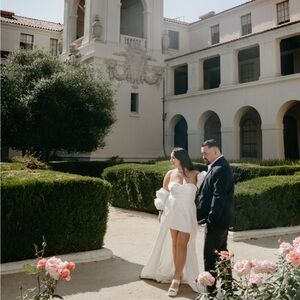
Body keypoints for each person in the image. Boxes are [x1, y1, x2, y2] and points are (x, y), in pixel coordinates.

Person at [140, 148, 206, 297]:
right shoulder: (170, 174)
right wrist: (160, 212)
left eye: (173, 158)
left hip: (187, 214)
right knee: (175, 244)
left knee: (182, 245)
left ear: (181, 158)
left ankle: (176, 279)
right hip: (171, 213)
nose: (171, 161)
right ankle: (178, 274)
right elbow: (163, 194)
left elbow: (207, 192)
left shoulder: (196, 174)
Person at [196, 139, 235, 295]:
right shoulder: (218, 166)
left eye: (205, 153)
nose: (203, 156)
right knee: (222, 254)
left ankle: (211, 292)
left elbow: (218, 198)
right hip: (220, 221)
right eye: (202, 153)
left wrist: (210, 220)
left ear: (215, 151)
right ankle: (227, 289)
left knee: (210, 257)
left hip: (217, 223)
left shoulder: (220, 168)